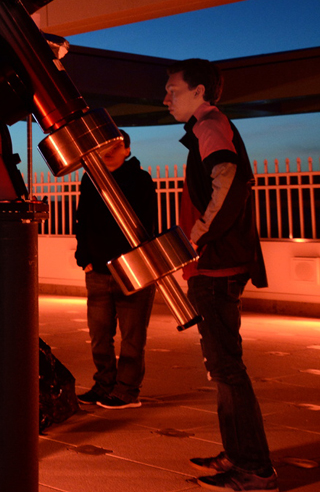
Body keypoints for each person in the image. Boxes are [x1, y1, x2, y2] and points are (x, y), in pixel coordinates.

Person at [164, 58, 276, 491]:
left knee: (228, 368)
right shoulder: (207, 127)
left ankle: (255, 467)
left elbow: (228, 182)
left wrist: (197, 236)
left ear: (200, 92)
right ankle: (237, 454)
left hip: (218, 265)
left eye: (174, 89)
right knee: (222, 367)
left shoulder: (210, 126)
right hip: (217, 264)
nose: (166, 97)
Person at [73, 130, 158, 410]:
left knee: (132, 337)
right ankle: (104, 384)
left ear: (127, 151)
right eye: (104, 146)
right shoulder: (90, 180)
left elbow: (147, 224)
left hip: (133, 270)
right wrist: (83, 258)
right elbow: (81, 220)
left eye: (116, 146)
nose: (109, 151)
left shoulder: (140, 181)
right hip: (97, 270)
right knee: (99, 336)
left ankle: (127, 391)